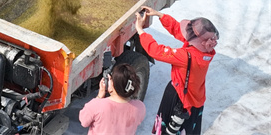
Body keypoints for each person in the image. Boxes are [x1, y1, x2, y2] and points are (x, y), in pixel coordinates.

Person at [136, 7, 219, 135]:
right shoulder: (206, 52)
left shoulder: (185, 56)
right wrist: (160, 15)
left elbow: (156, 51)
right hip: (196, 100)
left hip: (178, 97)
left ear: (194, 39)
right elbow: (177, 30)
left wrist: (140, 31)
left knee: (169, 130)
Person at [79, 62, 146, 134]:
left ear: (112, 85)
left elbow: (84, 121)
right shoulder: (140, 107)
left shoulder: (96, 106)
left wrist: (99, 97)